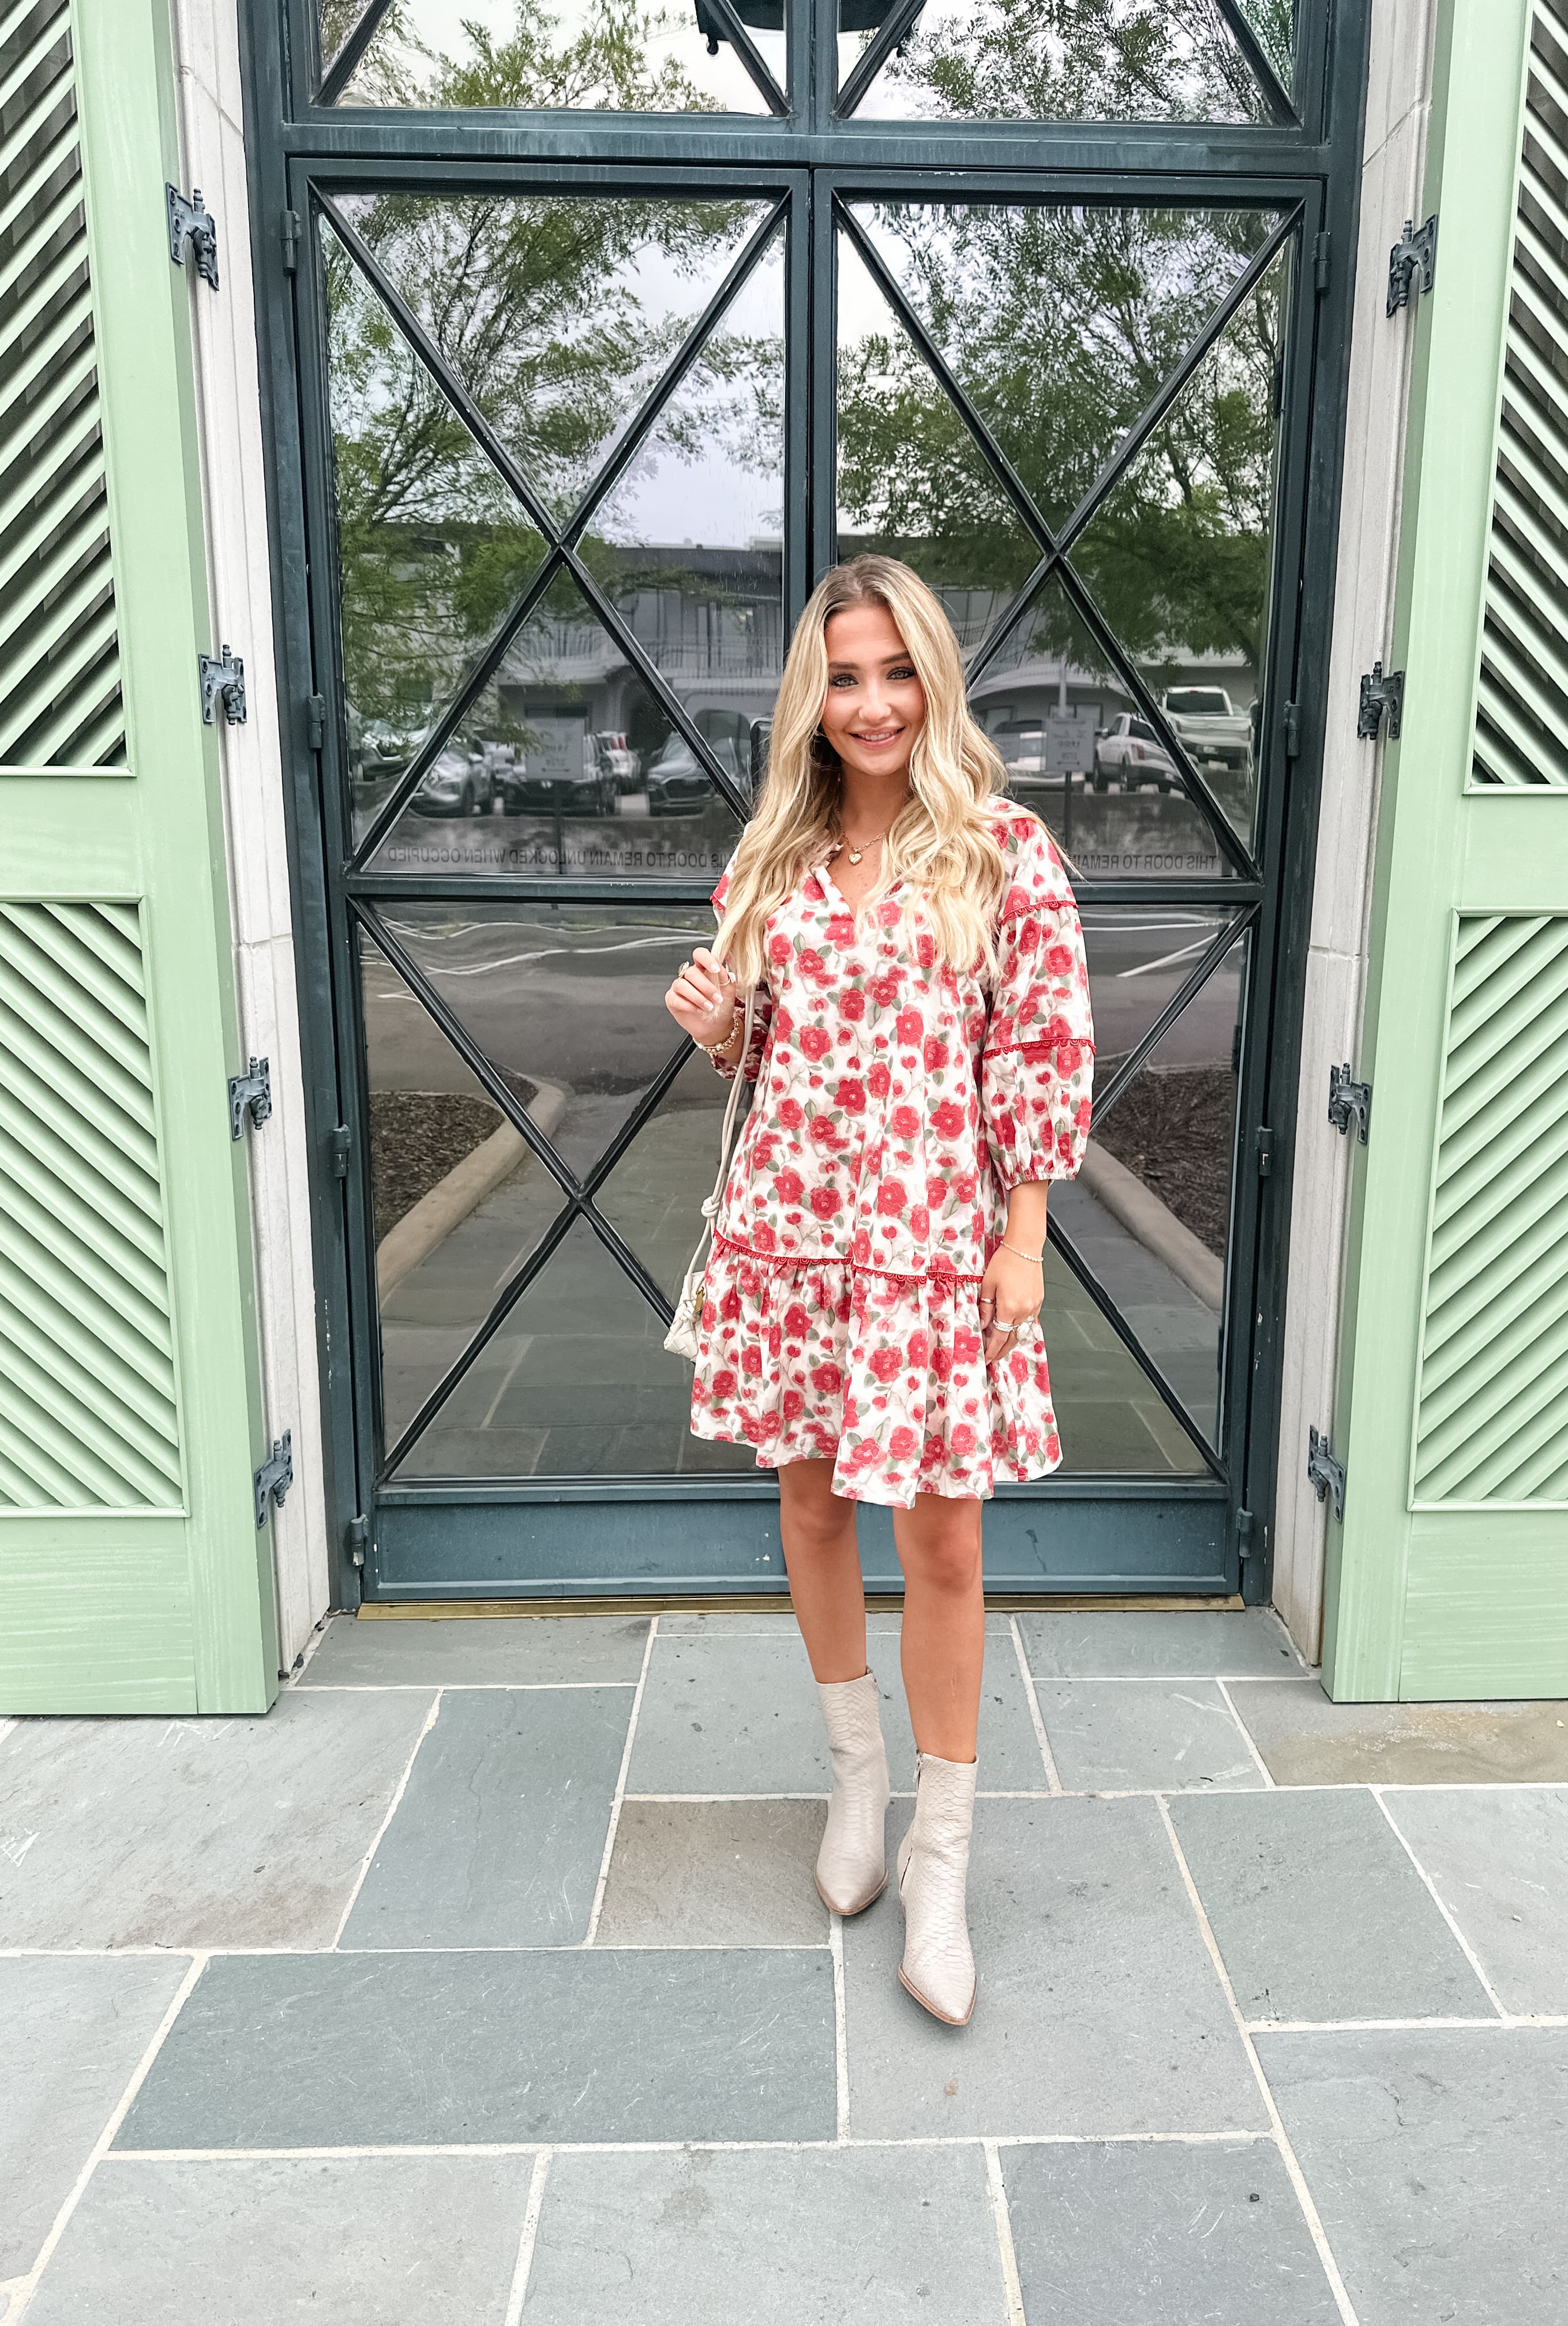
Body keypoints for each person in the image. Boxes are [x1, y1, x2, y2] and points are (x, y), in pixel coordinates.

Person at [663, 556, 1093, 2025]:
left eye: (895, 671)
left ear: (935, 681)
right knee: (807, 1507)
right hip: (792, 1230)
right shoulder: (772, 860)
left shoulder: (1003, 850)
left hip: (931, 1244)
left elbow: (1036, 1051)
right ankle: (856, 1785)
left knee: (949, 1543)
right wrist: (724, 1029)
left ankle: (943, 1856)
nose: (871, 704)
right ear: (813, 694)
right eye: (844, 676)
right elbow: (763, 1060)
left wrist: (1021, 1235)